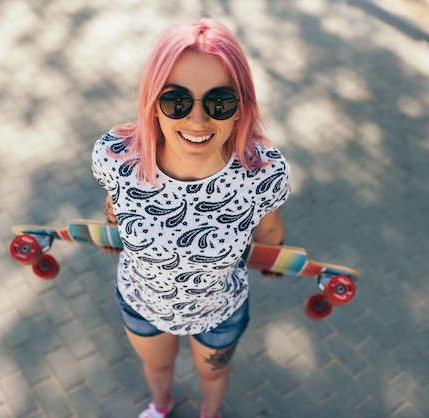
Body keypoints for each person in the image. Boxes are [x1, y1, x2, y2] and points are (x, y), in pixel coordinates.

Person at [92, 18, 291, 418]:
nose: (197, 122)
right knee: (157, 366)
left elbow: (270, 231)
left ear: (241, 108)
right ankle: (160, 407)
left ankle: (210, 414)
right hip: (142, 301)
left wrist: (274, 257)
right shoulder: (117, 157)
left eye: (219, 102)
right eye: (176, 101)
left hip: (220, 309)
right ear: (152, 103)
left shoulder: (262, 173)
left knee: (213, 376)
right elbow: (113, 208)